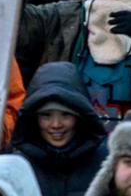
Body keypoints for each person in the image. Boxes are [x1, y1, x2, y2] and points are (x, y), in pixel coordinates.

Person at [10, 63, 107, 196]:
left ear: (81, 117)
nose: (56, 124)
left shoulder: (105, 164)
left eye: (66, 114)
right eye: (46, 115)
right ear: (33, 119)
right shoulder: (15, 166)